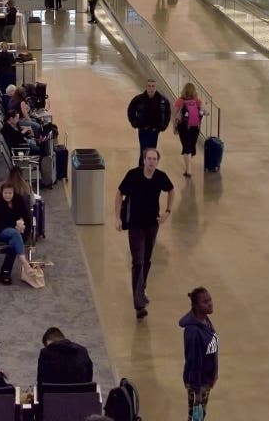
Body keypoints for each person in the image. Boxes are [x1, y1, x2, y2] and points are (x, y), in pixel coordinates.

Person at [115, 148, 175, 319]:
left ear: (157, 161)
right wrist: (117, 217)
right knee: (138, 261)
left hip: (152, 224)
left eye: (154, 159)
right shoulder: (133, 175)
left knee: (147, 260)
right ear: (143, 160)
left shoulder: (160, 177)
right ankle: (139, 304)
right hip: (135, 225)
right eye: (148, 158)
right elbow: (119, 193)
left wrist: (167, 212)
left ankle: (141, 290)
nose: (151, 162)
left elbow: (171, 190)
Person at [180, 287, 219, 420]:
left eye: (210, 300)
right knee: (196, 417)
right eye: (205, 302)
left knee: (200, 415)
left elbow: (211, 351)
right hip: (198, 383)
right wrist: (197, 390)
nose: (210, 303)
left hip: (205, 380)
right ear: (196, 306)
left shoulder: (205, 321)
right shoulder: (193, 332)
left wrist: (213, 375)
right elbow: (194, 362)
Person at [0, 180, 33, 284]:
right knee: (15, 234)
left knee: (14, 243)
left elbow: (27, 217)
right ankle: (25, 263)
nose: (8, 195)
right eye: (5, 193)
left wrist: (23, 227)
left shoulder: (19, 199)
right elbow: (2, 220)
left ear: (14, 193)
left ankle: (5, 273)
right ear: (2, 192)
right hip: (2, 230)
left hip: (19, 231)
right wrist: (16, 225)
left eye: (10, 193)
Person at [37, 327, 94, 400]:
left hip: (53, 404)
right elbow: (89, 381)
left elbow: (40, 385)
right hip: (79, 403)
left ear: (48, 342)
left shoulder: (45, 353)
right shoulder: (83, 351)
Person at [127, 79, 172, 156]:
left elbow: (168, 113)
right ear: (146, 87)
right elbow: (130, 110)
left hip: (155, 130)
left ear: (155, 87)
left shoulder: (162, 100)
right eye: (149, 86)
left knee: (152, 151)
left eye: (153, 86)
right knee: (144, 150)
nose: (151, 88)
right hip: (143, 129)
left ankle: (150, 167)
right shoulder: (139, 99)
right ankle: (142, 167)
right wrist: (134, 122)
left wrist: (164, 126)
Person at [172, 83, 205, 178]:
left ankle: (188, 170)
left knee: (186, 147)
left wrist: (175, 127)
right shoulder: (198, 101)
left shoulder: (180, 101)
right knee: (190, 147)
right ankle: (188, 168)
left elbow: (175, 115)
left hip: (183, 126)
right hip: (195, 127)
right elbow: (202, 113)